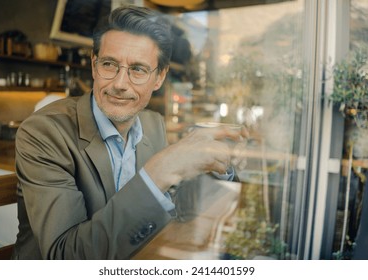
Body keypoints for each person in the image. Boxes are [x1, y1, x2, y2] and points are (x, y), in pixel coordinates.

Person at [12, 5, 244, 260]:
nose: (120, 84)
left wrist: (217, 162)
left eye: (138, 69)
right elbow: (65, 258)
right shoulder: (43, 132)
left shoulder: (153, 123)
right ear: (93, 65)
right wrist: (160, 171)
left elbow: (180, 210)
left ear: (159, 78)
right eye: (109, 64)